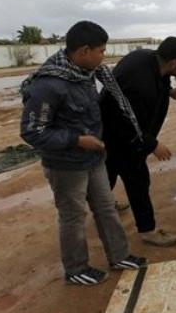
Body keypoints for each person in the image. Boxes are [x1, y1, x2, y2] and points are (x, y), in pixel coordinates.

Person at [20, 21, 147, 286]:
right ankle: (76, 269)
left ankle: (119, 256)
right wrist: (77, 140)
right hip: (66, 165)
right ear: (84, 51)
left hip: (93, 159)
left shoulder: (86, 74)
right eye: (101, 51)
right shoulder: (49, 85)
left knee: (107, 208)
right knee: (73, 218)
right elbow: (33, 132)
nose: (104, 56)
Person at [100, 37, 176, 247]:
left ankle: (103, 204)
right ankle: (148, 231)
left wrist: (171, 91)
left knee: (106, 175)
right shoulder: (140, 85)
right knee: (138, 181)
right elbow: (126, 123)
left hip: (111, 132)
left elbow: (159, 80)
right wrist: (153, 144)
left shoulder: (147, 58)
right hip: (118, 135)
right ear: (174, 62)